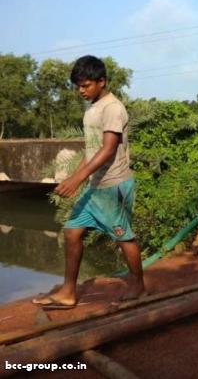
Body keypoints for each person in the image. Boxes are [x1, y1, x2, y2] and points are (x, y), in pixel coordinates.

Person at [33, 55, 145, 309]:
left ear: (101, 81)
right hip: (95, 187)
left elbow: (108, 148)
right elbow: (92, 149)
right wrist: (75, 177)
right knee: (72, 231)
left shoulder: (112, 108)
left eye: (85, 85)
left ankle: (138, 285)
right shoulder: (92, 109)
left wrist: (78, 178)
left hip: (113, 186)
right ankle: (68, 292)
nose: (81, 91)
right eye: (78, 86)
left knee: (123, 237)